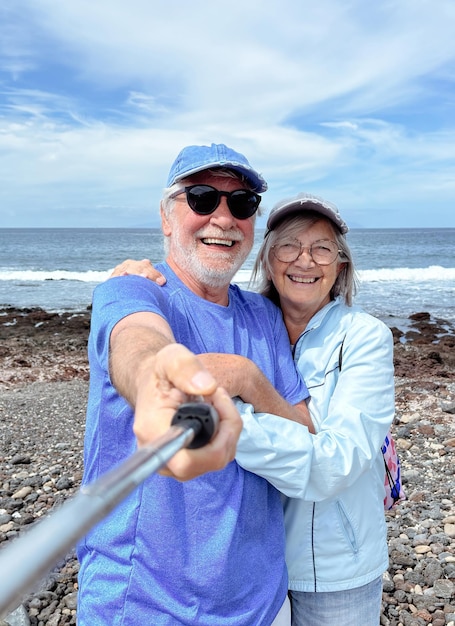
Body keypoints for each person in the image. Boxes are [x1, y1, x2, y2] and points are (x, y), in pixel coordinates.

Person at [118, 192, 396, 626]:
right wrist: (137, 280)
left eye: (322, 248)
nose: (305, 261)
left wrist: (227, 416)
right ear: (269, 259)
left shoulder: (364, 337)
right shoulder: (249, 321)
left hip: (338, 566)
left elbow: (336, 463)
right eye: (289, 245)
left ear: (340, 265)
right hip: (253, 564)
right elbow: (167, 320)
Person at [77, 143, 313, 626]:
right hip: (143, 605)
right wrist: (155, 378)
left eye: (242, 203)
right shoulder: (133, 288)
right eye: (202, 198)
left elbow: (306, 430)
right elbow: (136, 341)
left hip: (262, 602)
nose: (223, 218)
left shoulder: (264, 316)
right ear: (166, 217)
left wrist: (248, 379)